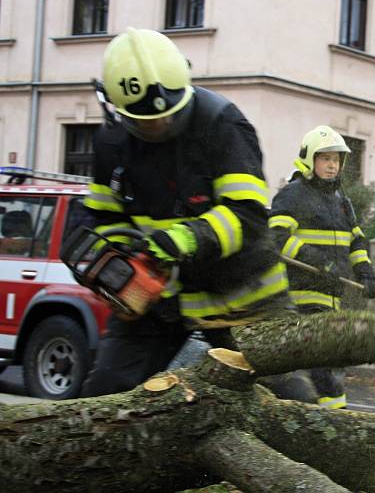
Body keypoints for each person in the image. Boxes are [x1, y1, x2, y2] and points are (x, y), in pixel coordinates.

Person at [78, 27, 313, 400]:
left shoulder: (223, 125)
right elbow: (105, 217)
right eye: (145, 123)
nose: (159, 126)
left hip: (241, 295)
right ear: (118, 110)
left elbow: (248, 216)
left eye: (169, 118)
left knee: (290, 404)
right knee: (105, 396)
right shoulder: (111, 143)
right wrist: (120, 268)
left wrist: (186, 238)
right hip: (158, 300)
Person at [268, 125, 375, 409]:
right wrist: (318, 263)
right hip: (300, 296)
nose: (332, 166)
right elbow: (278, 238)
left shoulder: (342, 201)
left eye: (336, 160)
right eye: (325, 158)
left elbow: (356, 240)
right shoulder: (292, 195)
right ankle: (335, 420)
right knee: (322, 365)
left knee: (323, 366)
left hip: (332, 296)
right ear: (309, 158)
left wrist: (365, 273)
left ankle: (319, 420)